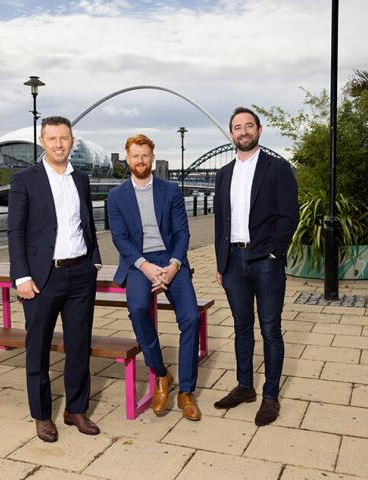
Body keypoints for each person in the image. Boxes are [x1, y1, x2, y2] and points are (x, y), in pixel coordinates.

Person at [8, 116, 102, 442]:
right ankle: (42, 415)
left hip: (80, 274)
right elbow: (15, 231)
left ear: (72, 141)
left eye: (64, 138)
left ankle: (76, 409)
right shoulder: (25, 180)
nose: (59, 144)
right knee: (38, 349)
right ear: (42, 141)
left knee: (78, 347)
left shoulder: (82, 180)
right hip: (41, 277)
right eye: (52, 139)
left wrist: (94, 260)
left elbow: (86, 223)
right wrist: (20, 276)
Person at [213, 107, 299, 426]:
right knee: (241, 326)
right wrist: (221, 262)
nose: (243, 131)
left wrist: (276, 252)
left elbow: (290, 215)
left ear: (259, 130)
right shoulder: (223, 174)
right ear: (231, 133)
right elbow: (222, 222)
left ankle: (270, 395)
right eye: (237, 127)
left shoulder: (277, 168)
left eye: (249, 125)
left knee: (270, 329)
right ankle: (245, 387)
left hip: (265, 260)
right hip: (233, 262)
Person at [107, 134, 202, 421]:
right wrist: (146, 266)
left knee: (191, 318)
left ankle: (186, 391)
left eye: (145, 155)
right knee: (136, 308)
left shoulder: (170, 190)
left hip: (171, 258)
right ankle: (161, 374)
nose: (140, 161)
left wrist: (173, 266)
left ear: (152, 157)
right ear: (127, 158)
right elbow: (120, 238)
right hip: (138, 262)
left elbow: (182, 232)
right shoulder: (116, 196)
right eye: (135, 156)